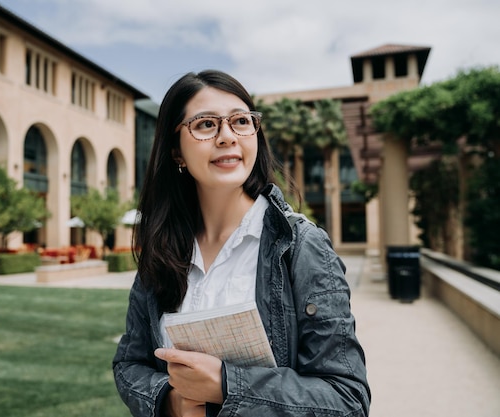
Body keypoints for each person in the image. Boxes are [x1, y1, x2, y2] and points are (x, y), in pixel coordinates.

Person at [113, 70, 370, 417]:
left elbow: (347, 400)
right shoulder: (162, 248)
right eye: (205, 125)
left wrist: (226, 386)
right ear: (176, 151)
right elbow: (129, 363)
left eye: (240, 121)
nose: (227, 137)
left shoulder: (301, 246)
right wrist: (168, 401)